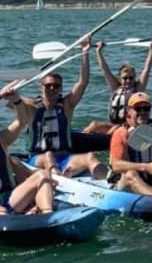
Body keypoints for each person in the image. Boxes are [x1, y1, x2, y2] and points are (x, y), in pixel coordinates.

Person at [20, 36, 108, 179]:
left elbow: (83, 82)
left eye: (56, 86)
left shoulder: (67, 106)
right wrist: (9, 91)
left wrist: (85, 53)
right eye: (48, 86)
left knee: (90, 157)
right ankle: (59, 180)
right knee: (48, 156)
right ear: (40, 87)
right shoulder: (31, 108)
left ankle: (107, 182)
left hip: (64, 158)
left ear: (61, 88)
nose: (52, 89)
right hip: (38, 160)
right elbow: (10, 100)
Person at [84, 36, 152, 135]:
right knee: (93, 125)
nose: (128, 81)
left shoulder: (137, 89)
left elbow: (147, 68)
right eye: (125, 78)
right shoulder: (116, 88)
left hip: (128, 127)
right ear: (120, 78)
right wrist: (99, 52)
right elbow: (104, 69)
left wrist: (151, 49)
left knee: (112, 132)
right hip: (114, 125)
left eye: (131, 78)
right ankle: (80, 139)